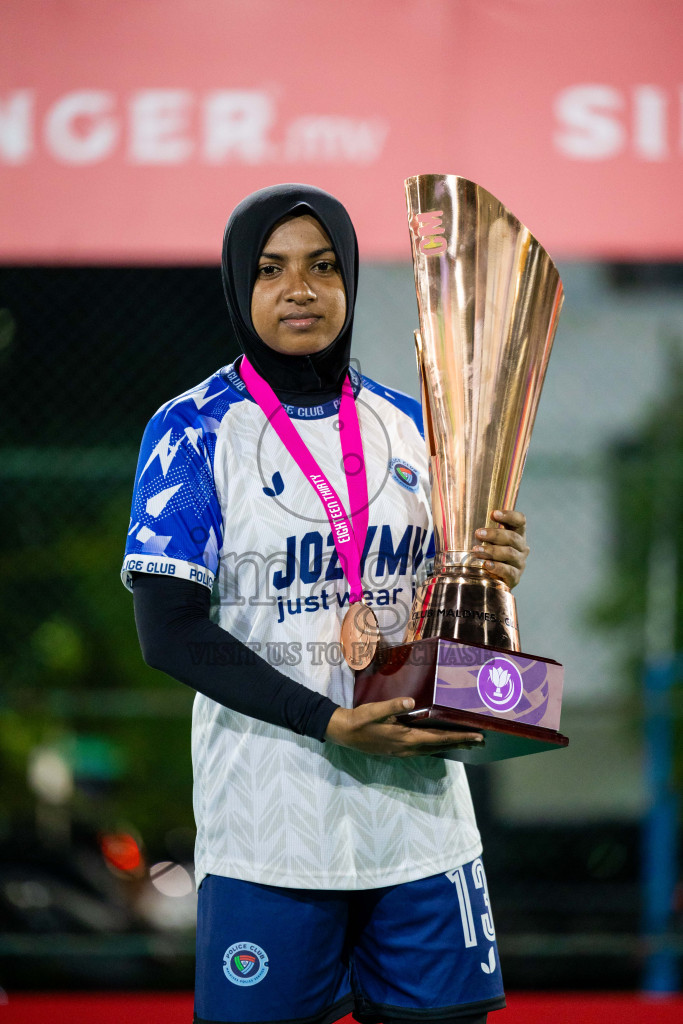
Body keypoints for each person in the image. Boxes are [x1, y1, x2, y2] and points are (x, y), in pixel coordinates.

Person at [121, 184, 530, 1024]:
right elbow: (169, 635)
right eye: (271, 270)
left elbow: (442, 609)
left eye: (322, 266)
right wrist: (329, 719)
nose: (298, 289)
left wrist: (488, 578)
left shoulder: (419, 428)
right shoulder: (193, 432)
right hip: (270, 837)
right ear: (240, 286)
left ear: (350, 282)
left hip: (421, 828)